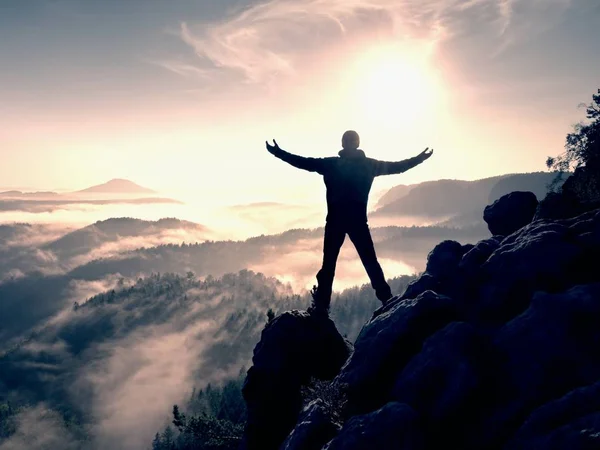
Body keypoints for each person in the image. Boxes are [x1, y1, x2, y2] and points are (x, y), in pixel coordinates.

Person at [266, 130, 433, 315]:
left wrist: (278, 152)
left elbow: (303, 162)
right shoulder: (370, 165)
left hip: (335, 221)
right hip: (358, 222)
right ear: (357, 144)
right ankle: (386, 299)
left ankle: (321, 307)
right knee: (370, 263)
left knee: (328, 265)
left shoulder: (331, 164)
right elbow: (399, 166)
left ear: (343, 144)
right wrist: (420, 158)